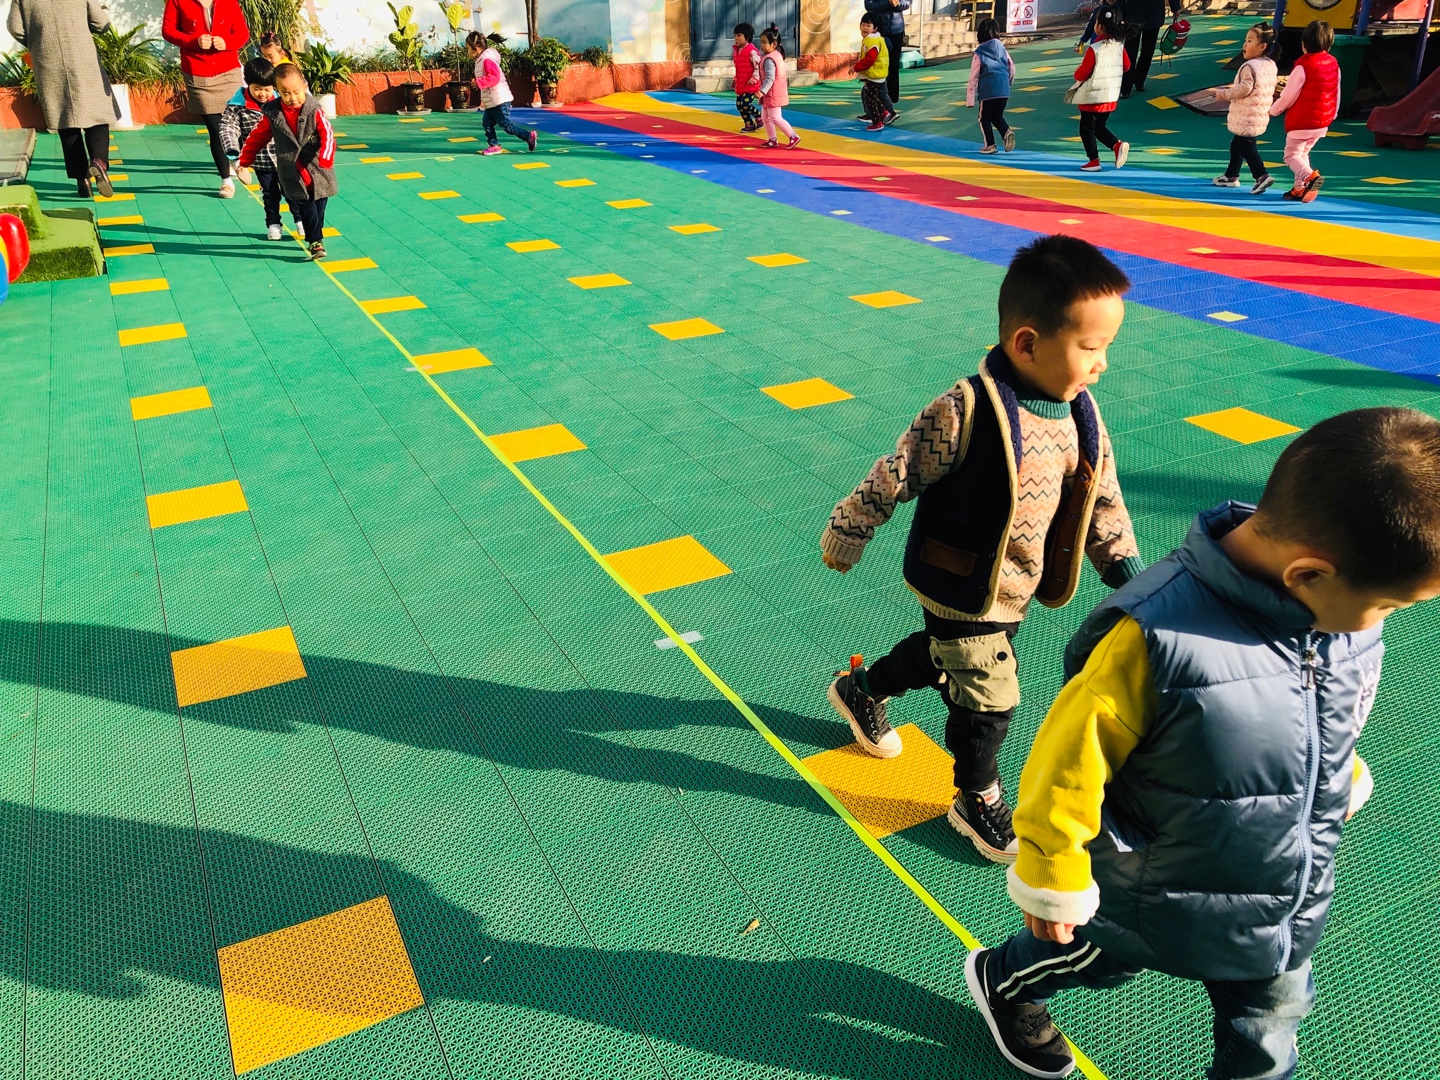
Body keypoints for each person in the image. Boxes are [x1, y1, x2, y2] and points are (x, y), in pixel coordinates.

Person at [965, 406, 1440, 1080]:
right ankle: (1003, 980)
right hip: (1152, 881)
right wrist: (1052, 873)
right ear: (1308, 575)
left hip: (1276, 892)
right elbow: (1068, 761)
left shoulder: (1340, 620)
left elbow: (1319, 710)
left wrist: (1339, 772)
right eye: (1393, 605)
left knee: (1272, 1023)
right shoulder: (1157, 636)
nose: (1387, 619)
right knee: (1096, 958)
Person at [821, 236, 1143, 863]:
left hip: (1015, 585)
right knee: (989, 694)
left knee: (946, 657)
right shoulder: (965, 409)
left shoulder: (1081, 416)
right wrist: (852, 526)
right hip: (959, 578)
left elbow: (1102, 496)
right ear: (1027, 344)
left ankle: (862, 689)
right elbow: (900, 470)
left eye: (1106, 348)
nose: (1102, 364)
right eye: (1090, 348)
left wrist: (1123, 566)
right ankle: (976, 794)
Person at [6, 0, 119, 197]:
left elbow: (15, 28)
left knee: (64, 118)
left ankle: (82, 180)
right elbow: (101, 23)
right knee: (97, 112)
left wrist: (38, 40)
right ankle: (99, 161)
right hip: (82, 58)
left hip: (47, 60)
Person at [236, 63, 334, 260]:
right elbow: (257, 137)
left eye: (296, 92)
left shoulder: (314, 110)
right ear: (277, 91)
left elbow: (328, 134)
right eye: (285, 93)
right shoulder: (273, 113)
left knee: (319, 206)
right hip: (292, 171)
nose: (292, 98)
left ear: (304, 86)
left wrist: (325, 157)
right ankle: (316, 242)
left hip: (317, 168)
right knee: (306, 206)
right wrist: (245, 160)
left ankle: (315, 232)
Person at [163, 0, 251, 197]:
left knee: (236, 123)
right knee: (216, 129)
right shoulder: (177, 1)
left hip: (228, 72)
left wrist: (227, 42)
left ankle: (237, 160)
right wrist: (193, 41)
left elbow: (242, 33)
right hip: (198, 73)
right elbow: (168, 31)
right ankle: (226, 181)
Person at [1270, 19, 1339, 203]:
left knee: (1291, 155)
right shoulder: (1333, 63)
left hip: (1302, 120)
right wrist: (1333, 113)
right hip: (1322, 121)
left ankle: (1310, 177)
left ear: (1303, 44)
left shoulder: (1303, 65)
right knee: (1302, 153)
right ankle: (1299, 188)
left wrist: (1274, 110)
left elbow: (1289, 95)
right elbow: (1336, 90)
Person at [1210, 21, 1276, 195]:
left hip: (1247, 113)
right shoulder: (1269, 64)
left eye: (1250, 41)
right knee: (1237, 145)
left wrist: (1224, 94)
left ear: (1262, 46)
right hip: (1259, 113)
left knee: (1246, 146)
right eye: (1245, 40)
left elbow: (1244, 89)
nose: (1245, 44)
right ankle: (1231, 175)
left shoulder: (1249, 67)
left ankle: (1261, 175)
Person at [220, 57, 284, 237]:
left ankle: (300, 220)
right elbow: (228, 127)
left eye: (267, 89)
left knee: (294, 191)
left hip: (286, 157)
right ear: (247, 84)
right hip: (261, 160)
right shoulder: (237, 105)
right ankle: (273, 224)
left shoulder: (281, 100)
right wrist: (234, 153)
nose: (263, 94)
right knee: (270, 194)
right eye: (257, 89)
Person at [1071, 7, 1130, 172]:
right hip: (1110, 94)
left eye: (1096, 22)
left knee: (1086, 129)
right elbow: (1126, 66)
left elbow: (1083, 73)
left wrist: (1077, 72)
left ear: (1100, 26)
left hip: (1093, 96)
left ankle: (1094, 160)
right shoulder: (1118, 46)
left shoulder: (1095, 48)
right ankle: (1116, 146)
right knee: (1098, 127)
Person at [467, 31, 537, 156]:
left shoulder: (487, 60)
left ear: (475, 48)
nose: (467, 52)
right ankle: (494, 145)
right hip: (492, 101)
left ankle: (529, 136)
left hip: (499, 100)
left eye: (468, 49)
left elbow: (494, 77)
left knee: (506, 126)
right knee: (487, 123)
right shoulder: (481, 60)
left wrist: (479, 82)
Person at [966, 17, 1016, 153]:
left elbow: (973, 77)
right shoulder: (1003, 50)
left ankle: (990, 145)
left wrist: (970, 99)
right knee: (997, 116)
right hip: (1003, 90)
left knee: (984, 118)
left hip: (988, 92)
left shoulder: (979, 53)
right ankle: (1006, 132)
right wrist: (1008, 83)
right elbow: (1012, 67)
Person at [1118, 0, 1182, 97]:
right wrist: (1119, 10)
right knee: (1132, 52)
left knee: (1147, 51)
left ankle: (1138, 81)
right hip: (1135, 13)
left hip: (1150, 12)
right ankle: (1127, 86)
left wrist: (1175, 7)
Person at [863, 0, 909, 116]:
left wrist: (897, 4)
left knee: (893, 67)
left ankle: (889, 107)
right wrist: (888, 3)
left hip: (896, 30)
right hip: (878, 30)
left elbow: (908, 3)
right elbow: (869, 5)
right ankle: (874, 110)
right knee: (877, 67)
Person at [758, 25, 799, 149]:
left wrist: (762, 91)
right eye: (761, 42)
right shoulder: (776, 56)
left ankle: (793, 136)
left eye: (764, 42)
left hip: (773, 94)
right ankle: (772, 139)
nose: (761, 45)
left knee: (775, 117)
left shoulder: (770, 60)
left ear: (774, 44)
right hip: (770, 94)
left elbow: (770, 78)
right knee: (765, 117)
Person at [854, 15, 896, 132]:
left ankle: (877, 122)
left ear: (875, 28)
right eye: (863, 25)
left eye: (868, 25)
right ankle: (885, 113)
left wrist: (856, 67)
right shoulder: (877, 39)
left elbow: (869, 59)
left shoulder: (872, 41)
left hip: (874, 75)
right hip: (879, 73)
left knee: (871, 99)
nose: (865, 28)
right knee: (872, 96)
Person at [732, 22, 763, 133]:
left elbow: (758, 66)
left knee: (745, 105)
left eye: (739, 35)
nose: (736, 38)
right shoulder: (737, 51)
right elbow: (739, 68)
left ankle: (759, 116)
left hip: (750, 85)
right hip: (741, 83)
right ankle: (749, 124)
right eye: (735, 35)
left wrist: (754, 79)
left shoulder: (752, 51)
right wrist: (735, 79)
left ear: (747, 37)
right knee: (739, 105)